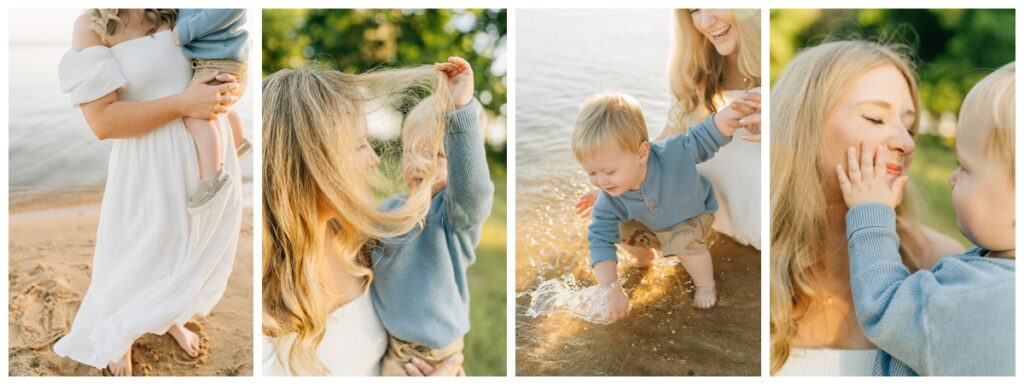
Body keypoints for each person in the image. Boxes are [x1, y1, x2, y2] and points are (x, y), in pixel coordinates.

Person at [54, 9, 243, 376]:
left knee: (186, 248)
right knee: (136, 253)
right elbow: (103, 122)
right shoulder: (92, 26)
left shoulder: (184, 10)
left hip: (206, 156)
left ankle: (169, 317)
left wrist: (228, 89)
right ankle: (120, 336)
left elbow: (228, 55)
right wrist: (184, 104)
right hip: (149, 164)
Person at [261, 62, 467, 376]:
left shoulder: (359, 241)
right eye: (359, 145)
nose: (374, 159)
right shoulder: (262, 309)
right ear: (312, 164)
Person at [770, 40, 963, 375]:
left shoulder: (941, 263)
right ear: (806, 126)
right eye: (875, 118)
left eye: (909, 125)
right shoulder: (761, 260)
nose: (906, 143)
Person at [834, 62, 1015, 376]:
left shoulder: (985, 298)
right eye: (875, 118)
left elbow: (883, 306)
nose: (951, 178)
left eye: (965, 167)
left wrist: (872, 214)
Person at [572, 91, 758, 321]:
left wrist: (732, 114)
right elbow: (599, 240)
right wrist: (612, 290)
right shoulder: (608, 199)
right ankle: (644, 257)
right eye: (591, 172)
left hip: (691, 215)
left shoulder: (673, 153)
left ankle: (706, 284)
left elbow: (706, 135)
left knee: (681, 242)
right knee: (612, 227)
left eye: (609, 172)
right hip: (653, 224)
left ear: (642, 153)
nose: (601, 181)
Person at [372, 57, 494, 376]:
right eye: (412, 150)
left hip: (437, 357)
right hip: (392, 350)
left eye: (437, 155)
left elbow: (474, 186)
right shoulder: (387, 210)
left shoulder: (453, 216)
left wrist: (459, 111)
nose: (420, 164)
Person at [171, 9, 251, 213]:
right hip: (214, 59)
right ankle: (238, 140)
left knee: (195, 114)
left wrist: (186, 29)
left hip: (219, 59)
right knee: (214, 106)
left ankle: (212, 177)